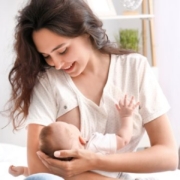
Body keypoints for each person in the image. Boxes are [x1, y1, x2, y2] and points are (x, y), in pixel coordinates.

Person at [8, 0, 178, 180]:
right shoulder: (49, 81)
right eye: (46, 56)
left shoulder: (134, 68)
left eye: (63, 50)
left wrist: (95, 161)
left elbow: (168, 156)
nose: (56, 64)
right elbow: (37, 167)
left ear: (85, 32)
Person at [9, 95, 139, 179]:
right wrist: (126, 116)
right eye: (68, 125)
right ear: (81, 139)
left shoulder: (64, 168)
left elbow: (41, 174)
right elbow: (123, 139)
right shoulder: (93, 143)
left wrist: (22, 170)